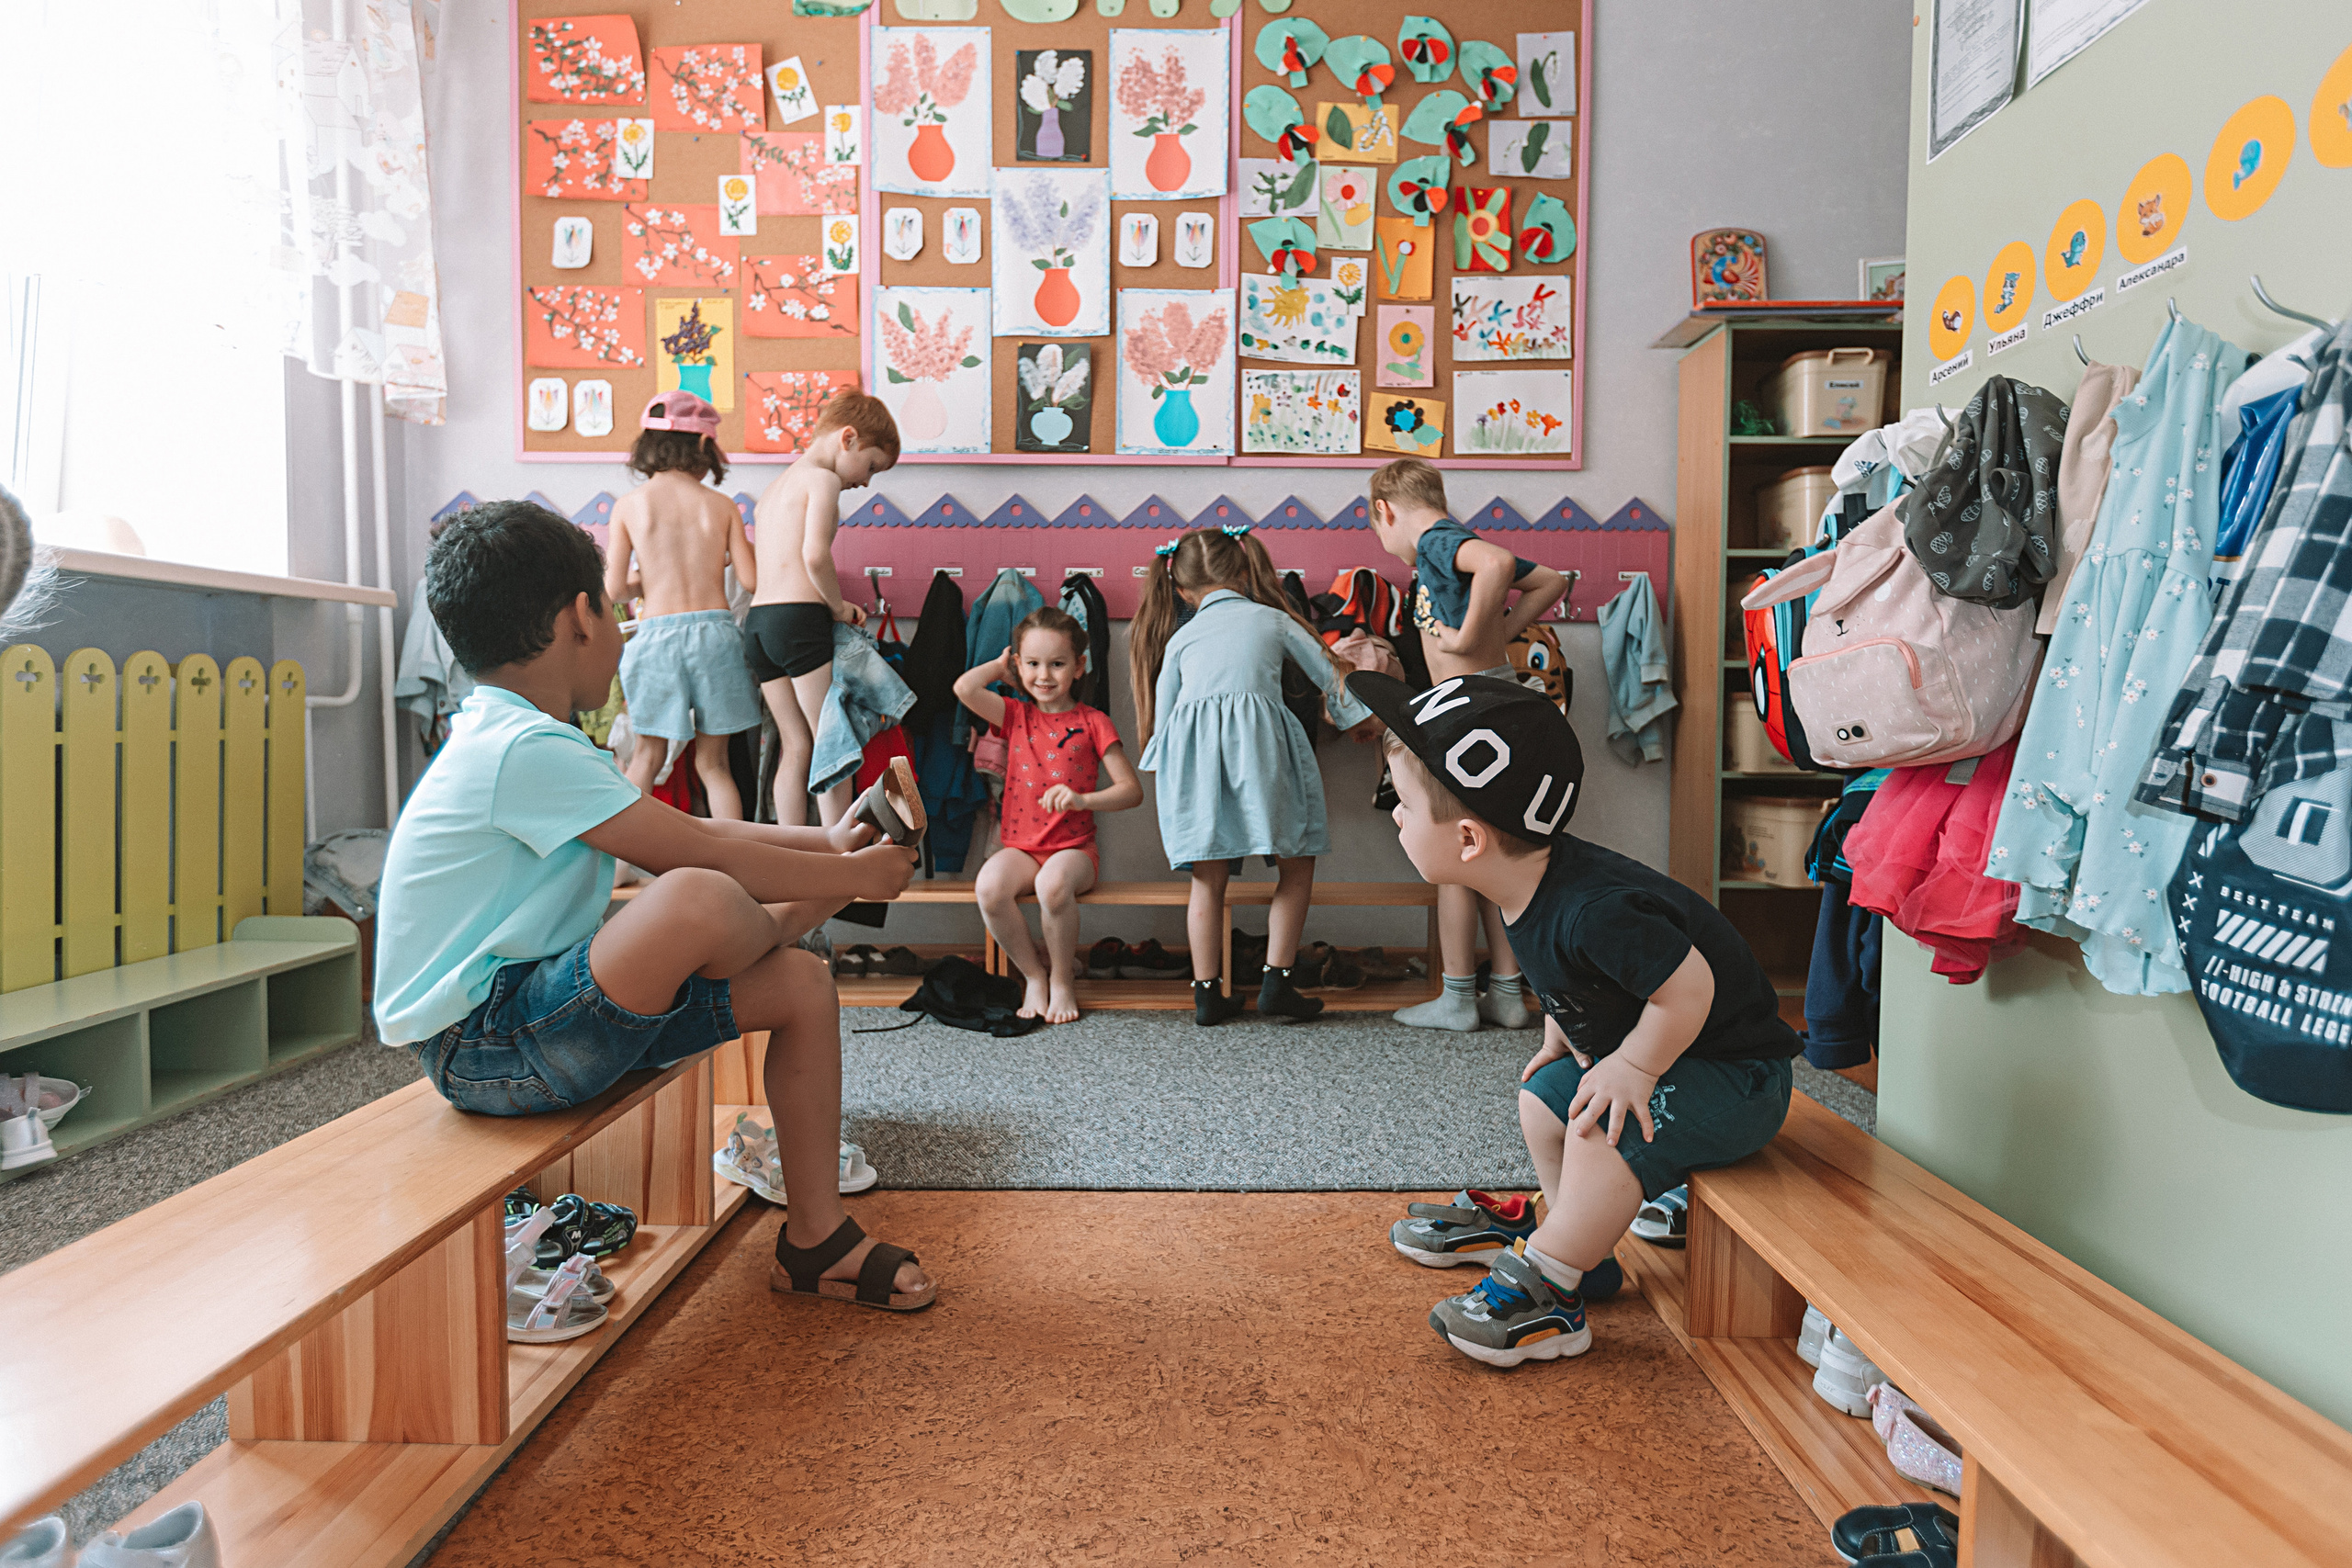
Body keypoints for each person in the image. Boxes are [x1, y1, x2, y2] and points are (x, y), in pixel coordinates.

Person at [375, 500, 936, 1311]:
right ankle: (781, 922)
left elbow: (692, 824)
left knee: (800, 986)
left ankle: (818, 1237)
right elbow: (696, 855)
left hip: (535, 1023)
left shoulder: (526, 734)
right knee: (697, 896)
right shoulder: (519, 747)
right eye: (620, 606)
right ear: (581, 615)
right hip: (487, 1044)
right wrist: (839, 877)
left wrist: (832, 845)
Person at [1351, 671, 1801, 1367]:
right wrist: (1571, 1028)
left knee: (1600, 1124)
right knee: (1542, 1101)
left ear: (1469, 839)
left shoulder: (1595, 909)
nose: (1395, 815)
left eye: (1403, 803)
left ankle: (1553, 1291)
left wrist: (1634, 1064)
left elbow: (1690, 988)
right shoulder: (1524, 881)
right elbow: (1583, 977)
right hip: (1682, 1053)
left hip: (1740, 1077)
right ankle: (1576, 1250)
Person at [1131, 525, 1376, 1025]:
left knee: (1207, 879)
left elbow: (1165, 719)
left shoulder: (1180, 638)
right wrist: (1357, 722)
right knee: (1296, 863)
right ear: (1244, 572)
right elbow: (1330, 674)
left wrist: (1165, 768)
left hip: (1195, 766)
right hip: (1262, 754)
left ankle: (1206, 996)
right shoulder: (1274, 619)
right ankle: (1277, 981)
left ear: (1179, 588)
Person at [1366, 457, 1570, 1033]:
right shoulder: (1452, 542)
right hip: (1492, 702)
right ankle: (1506, 992)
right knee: (1493, 851)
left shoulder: (1436, 540)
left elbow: (1500, 564)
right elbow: (1551, 581)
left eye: (1380, 533)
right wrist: (1496, 633)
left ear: (1386, 511)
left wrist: (1470, 635)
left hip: (1467, 711)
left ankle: (1458, 995)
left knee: (1451, 854)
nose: (1387, 545)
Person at [953, 606, 1141, 1023]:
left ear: (1079, 667)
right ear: (1019, 666)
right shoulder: (1015, 714)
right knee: (988, 888)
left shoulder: (1094, 722)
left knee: (1052, 886)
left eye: (1057, 664)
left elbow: (1132, 791)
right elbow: (965, 688)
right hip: (1020, 847)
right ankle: (1034, 975)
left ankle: (1062, 980)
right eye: (1033, 664)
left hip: (1074, 850)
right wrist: (1000, 666)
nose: (1044, 675)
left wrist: (1081, 800)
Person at [744, 388, 901, 827]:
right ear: (847, 438)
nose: (867, 482)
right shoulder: (823, 479)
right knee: (834, 741)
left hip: (758, 624)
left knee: (796, 745)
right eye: (871, 467)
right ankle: (840, 854)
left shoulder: (776, 486)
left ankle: (793, 853)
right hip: (798, 620)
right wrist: (836, 606)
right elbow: (815, 556)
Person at [605, 391, 762, 818]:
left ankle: (618, 871)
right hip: (715, 634)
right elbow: (750, 580)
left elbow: (615, 588)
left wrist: (650, 577)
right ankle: (732, 868)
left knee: (647, 758)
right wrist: (719, 559)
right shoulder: (722, 506)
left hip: (656, 637)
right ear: (702, 446)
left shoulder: (629, 507)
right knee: (714, 764)